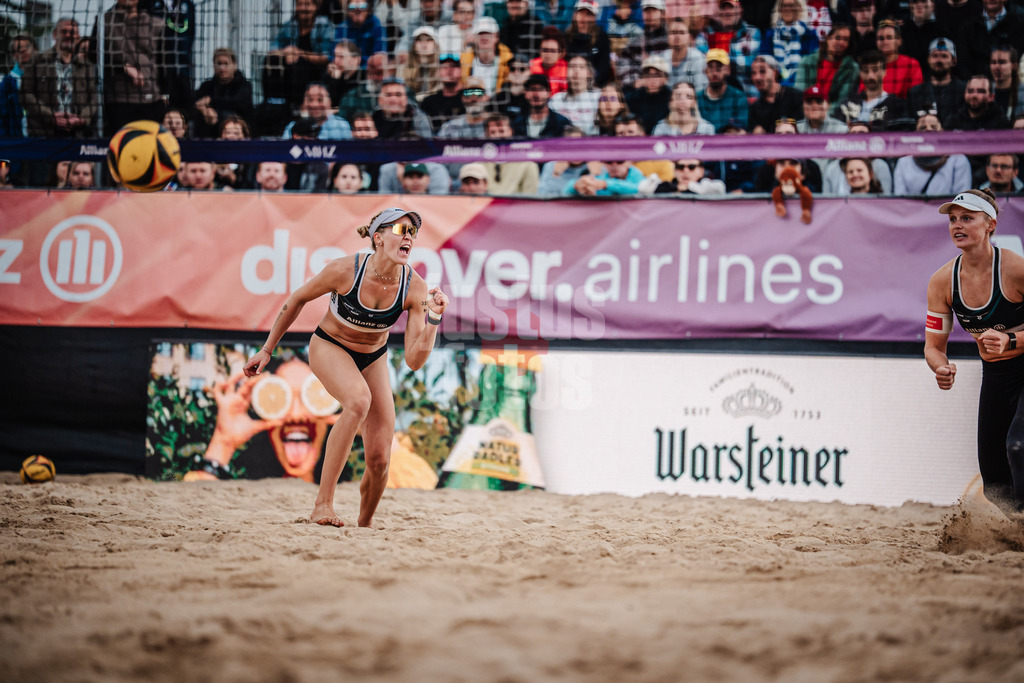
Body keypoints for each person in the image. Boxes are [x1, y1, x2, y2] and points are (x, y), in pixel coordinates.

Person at [243, 208, 450, 528]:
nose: (408, 235)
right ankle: (322, 505)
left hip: (373, 357)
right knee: (358, 400)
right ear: (378, 238)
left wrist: (434, 319)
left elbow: (413, 360)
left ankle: (364, 526)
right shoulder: (346, 270)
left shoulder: (415, 287)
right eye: (400, 229)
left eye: (412, 231)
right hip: (330, 346)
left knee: (380, 460)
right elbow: (297, 299)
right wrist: (267, 350)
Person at [924, 188, 1024, 519]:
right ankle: (1016, 530)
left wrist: (1011, 340)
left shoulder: (1015, 269)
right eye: (953, 219)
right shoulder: (942, 281)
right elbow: (933, 347)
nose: (957, 225)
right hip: (995, 375)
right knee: (994, 482)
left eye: (967, 218)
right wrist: (940, 367)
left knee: (1019, 447)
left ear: (990, 224)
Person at [93, 0, 165, 136]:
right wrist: (123, 67)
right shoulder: (104, 21)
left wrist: (165, 96)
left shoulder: (156, 23)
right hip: (118, 101)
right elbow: (94, 55)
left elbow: (163, 63)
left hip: (150, 100)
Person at [892, 111, 972, 195]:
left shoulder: (958, 160)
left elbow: (962, 198)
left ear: (942, 131)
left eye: (934, 127)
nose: (928, 130)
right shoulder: (903, 163)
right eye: (923, 128)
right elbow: (901, 199)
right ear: (916, 133)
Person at [794, 22, 859, 119]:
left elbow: (843, 99)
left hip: (833, 117)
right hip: (806, 113)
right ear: (828, 39)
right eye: (837, 38)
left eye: (845, 40)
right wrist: (810, 111)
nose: (841, 42)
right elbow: (799, 93)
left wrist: (822, 114)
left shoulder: (852, 68)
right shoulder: (807, 61)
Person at [193, 47, 254, 138]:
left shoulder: (244, 85)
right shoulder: (206, 86)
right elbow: (197, 103)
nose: (222, 68)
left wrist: (211, 100)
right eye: (219, 64)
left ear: (234, 65)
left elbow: (237, 103)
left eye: (226, 64)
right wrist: (205, 110)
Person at [905, 37, 966, 125]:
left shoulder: (964, 91)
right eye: (935, 56)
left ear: (954, 61)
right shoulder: (915, 93)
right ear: (928, 59)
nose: (939, 60)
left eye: (944, 56)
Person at [760, 0, 819, 86]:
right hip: (775, 84)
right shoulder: (769, 35)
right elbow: (764, 61)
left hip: (801, 83)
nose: (787, 9)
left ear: (799, 9)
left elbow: (810, 64)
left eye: (791, 6)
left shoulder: (810, 35)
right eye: (784, 6)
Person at [697, 48, 750, 132]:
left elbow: (740, 129)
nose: (714, 73)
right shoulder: (697, 98)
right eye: (711, 68)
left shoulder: (738, 97)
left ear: (728, 70)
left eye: (718, 68)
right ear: (705, 70)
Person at [748, 54, 803, 133]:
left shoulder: (796, 97)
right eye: (753, 73)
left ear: (775, 72)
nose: (757, 77)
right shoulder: (755, 108)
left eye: (762, 71)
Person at [283, 82, 354, 140]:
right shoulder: (292, 127)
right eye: (310, 99)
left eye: (320, 100)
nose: (314, 105)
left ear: (329, 102)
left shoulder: (341, 126)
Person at [549, 54, 600, 133]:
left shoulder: (599, 97)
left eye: (581, 67)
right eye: (572, 67)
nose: (576, 71)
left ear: (589, 74)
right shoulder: (556, 99)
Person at [874, 19, 923, 99]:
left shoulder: (911, 65)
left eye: (889, 38)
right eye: (881, 38)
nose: (885, 42)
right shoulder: (871, 65)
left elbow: (916, 96)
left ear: (899, 41)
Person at [512, 73, 572, 137]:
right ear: (525, 93)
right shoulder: (517, 123)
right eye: (532, 89)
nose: (536, 95)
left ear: (549, 93)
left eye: (540, 89)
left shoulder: (562, 123)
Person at [402, 27, 442, 101]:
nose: (424, 44)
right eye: (419, 40)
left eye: (429, 40)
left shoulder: (443, 66)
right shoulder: (404, 66)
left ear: (436, 44)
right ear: (414, 45)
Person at [654, 158, 727, 193]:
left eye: (691, 167)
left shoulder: (709, 185)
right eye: (680, 167)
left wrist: (688, 186)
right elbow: (651, 189)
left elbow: (719, 188)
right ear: (675, 171)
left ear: (701, 171)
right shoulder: (665, 186)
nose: (685, 171)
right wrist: (676, 187)